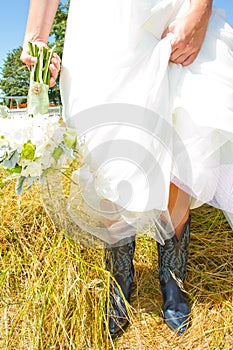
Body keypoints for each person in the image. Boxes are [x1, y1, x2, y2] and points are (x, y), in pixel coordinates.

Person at [21, 0, 233, 338]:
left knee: (180, 142)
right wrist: (37, 39)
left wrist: (200, 10)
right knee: (109, 151)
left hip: (169, 12)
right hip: (102, 26)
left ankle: (173, 280)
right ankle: (121, 278)